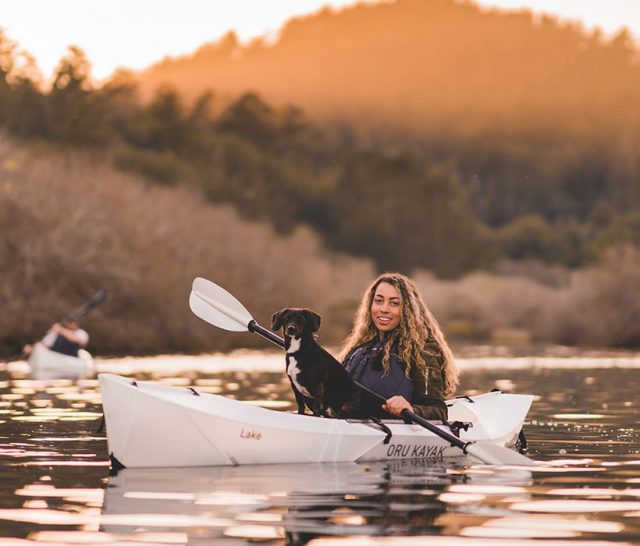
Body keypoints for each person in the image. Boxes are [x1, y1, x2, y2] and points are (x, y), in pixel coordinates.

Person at [339, 272, 459, 421]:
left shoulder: (424, 352)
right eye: (378, 301)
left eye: (394, 303)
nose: (384, 309)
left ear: (407, 310)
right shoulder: (359, 348)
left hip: (395, 433)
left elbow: (438, 410)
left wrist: (411, 410)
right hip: (351, 425)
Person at [23, 315, 89, 358]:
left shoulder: (80, 333)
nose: (70, 325)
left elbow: (81, 341)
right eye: (68, 323)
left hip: (72, 357)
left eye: (72, 323)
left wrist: (62, 330)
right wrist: (32, 348)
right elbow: (44, 344)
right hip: (56, 356)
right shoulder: (55, 333)